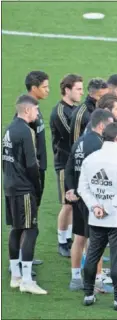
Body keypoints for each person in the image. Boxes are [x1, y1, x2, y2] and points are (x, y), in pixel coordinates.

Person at [77, 122, 117, 310]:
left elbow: (82, 188)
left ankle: (88, 294)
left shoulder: (90, 159)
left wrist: (95, 207)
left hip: (96, 217)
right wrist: (106, 208)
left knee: (92, 255)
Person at [64, 109, 115, 292]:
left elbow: (69, 168)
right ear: (101, 125)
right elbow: (98, 176)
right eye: (111, 124)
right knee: (96, 240)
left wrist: (70, 189)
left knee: (79, 238)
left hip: (78, 199)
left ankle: (76, 279)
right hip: (91, 199)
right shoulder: (98, 144)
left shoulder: (80, 141)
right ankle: (97, 281)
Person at [4, 95, 47, 294]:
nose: (37, 114)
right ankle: (27, 281)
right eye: (36, 110)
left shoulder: (9, 129)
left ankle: (16, 275)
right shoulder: (26, 131)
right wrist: (37, 187)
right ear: (28, 110)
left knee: (16, 228)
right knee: (31, 229)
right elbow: (32, 164)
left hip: (10, 185)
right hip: (24, 188)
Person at [51, 74, 84, 257]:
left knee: (75, 203)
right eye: (78, 89)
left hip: (76, 163)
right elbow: (73, 137)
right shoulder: (60, 112)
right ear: (67, 90)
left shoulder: (75, 109)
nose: (81, 92)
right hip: (65, 164)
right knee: (68, 204)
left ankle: (71, 238)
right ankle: (62, 241)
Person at [20, 72, 50, 268]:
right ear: (34, 87)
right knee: (27, 220)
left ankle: (25, 256)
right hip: (31, 173)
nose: (48, 90)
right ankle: (22, 261)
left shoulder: (34, 109)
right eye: (45, 87)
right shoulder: (27, 112)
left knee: (32, 216)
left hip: (38, 170)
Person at [70, 78, 109, 145]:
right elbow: (75, 144)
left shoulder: (107, 109)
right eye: (101, 96)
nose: (105, 100)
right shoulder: (80, 114)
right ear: (91, 94)